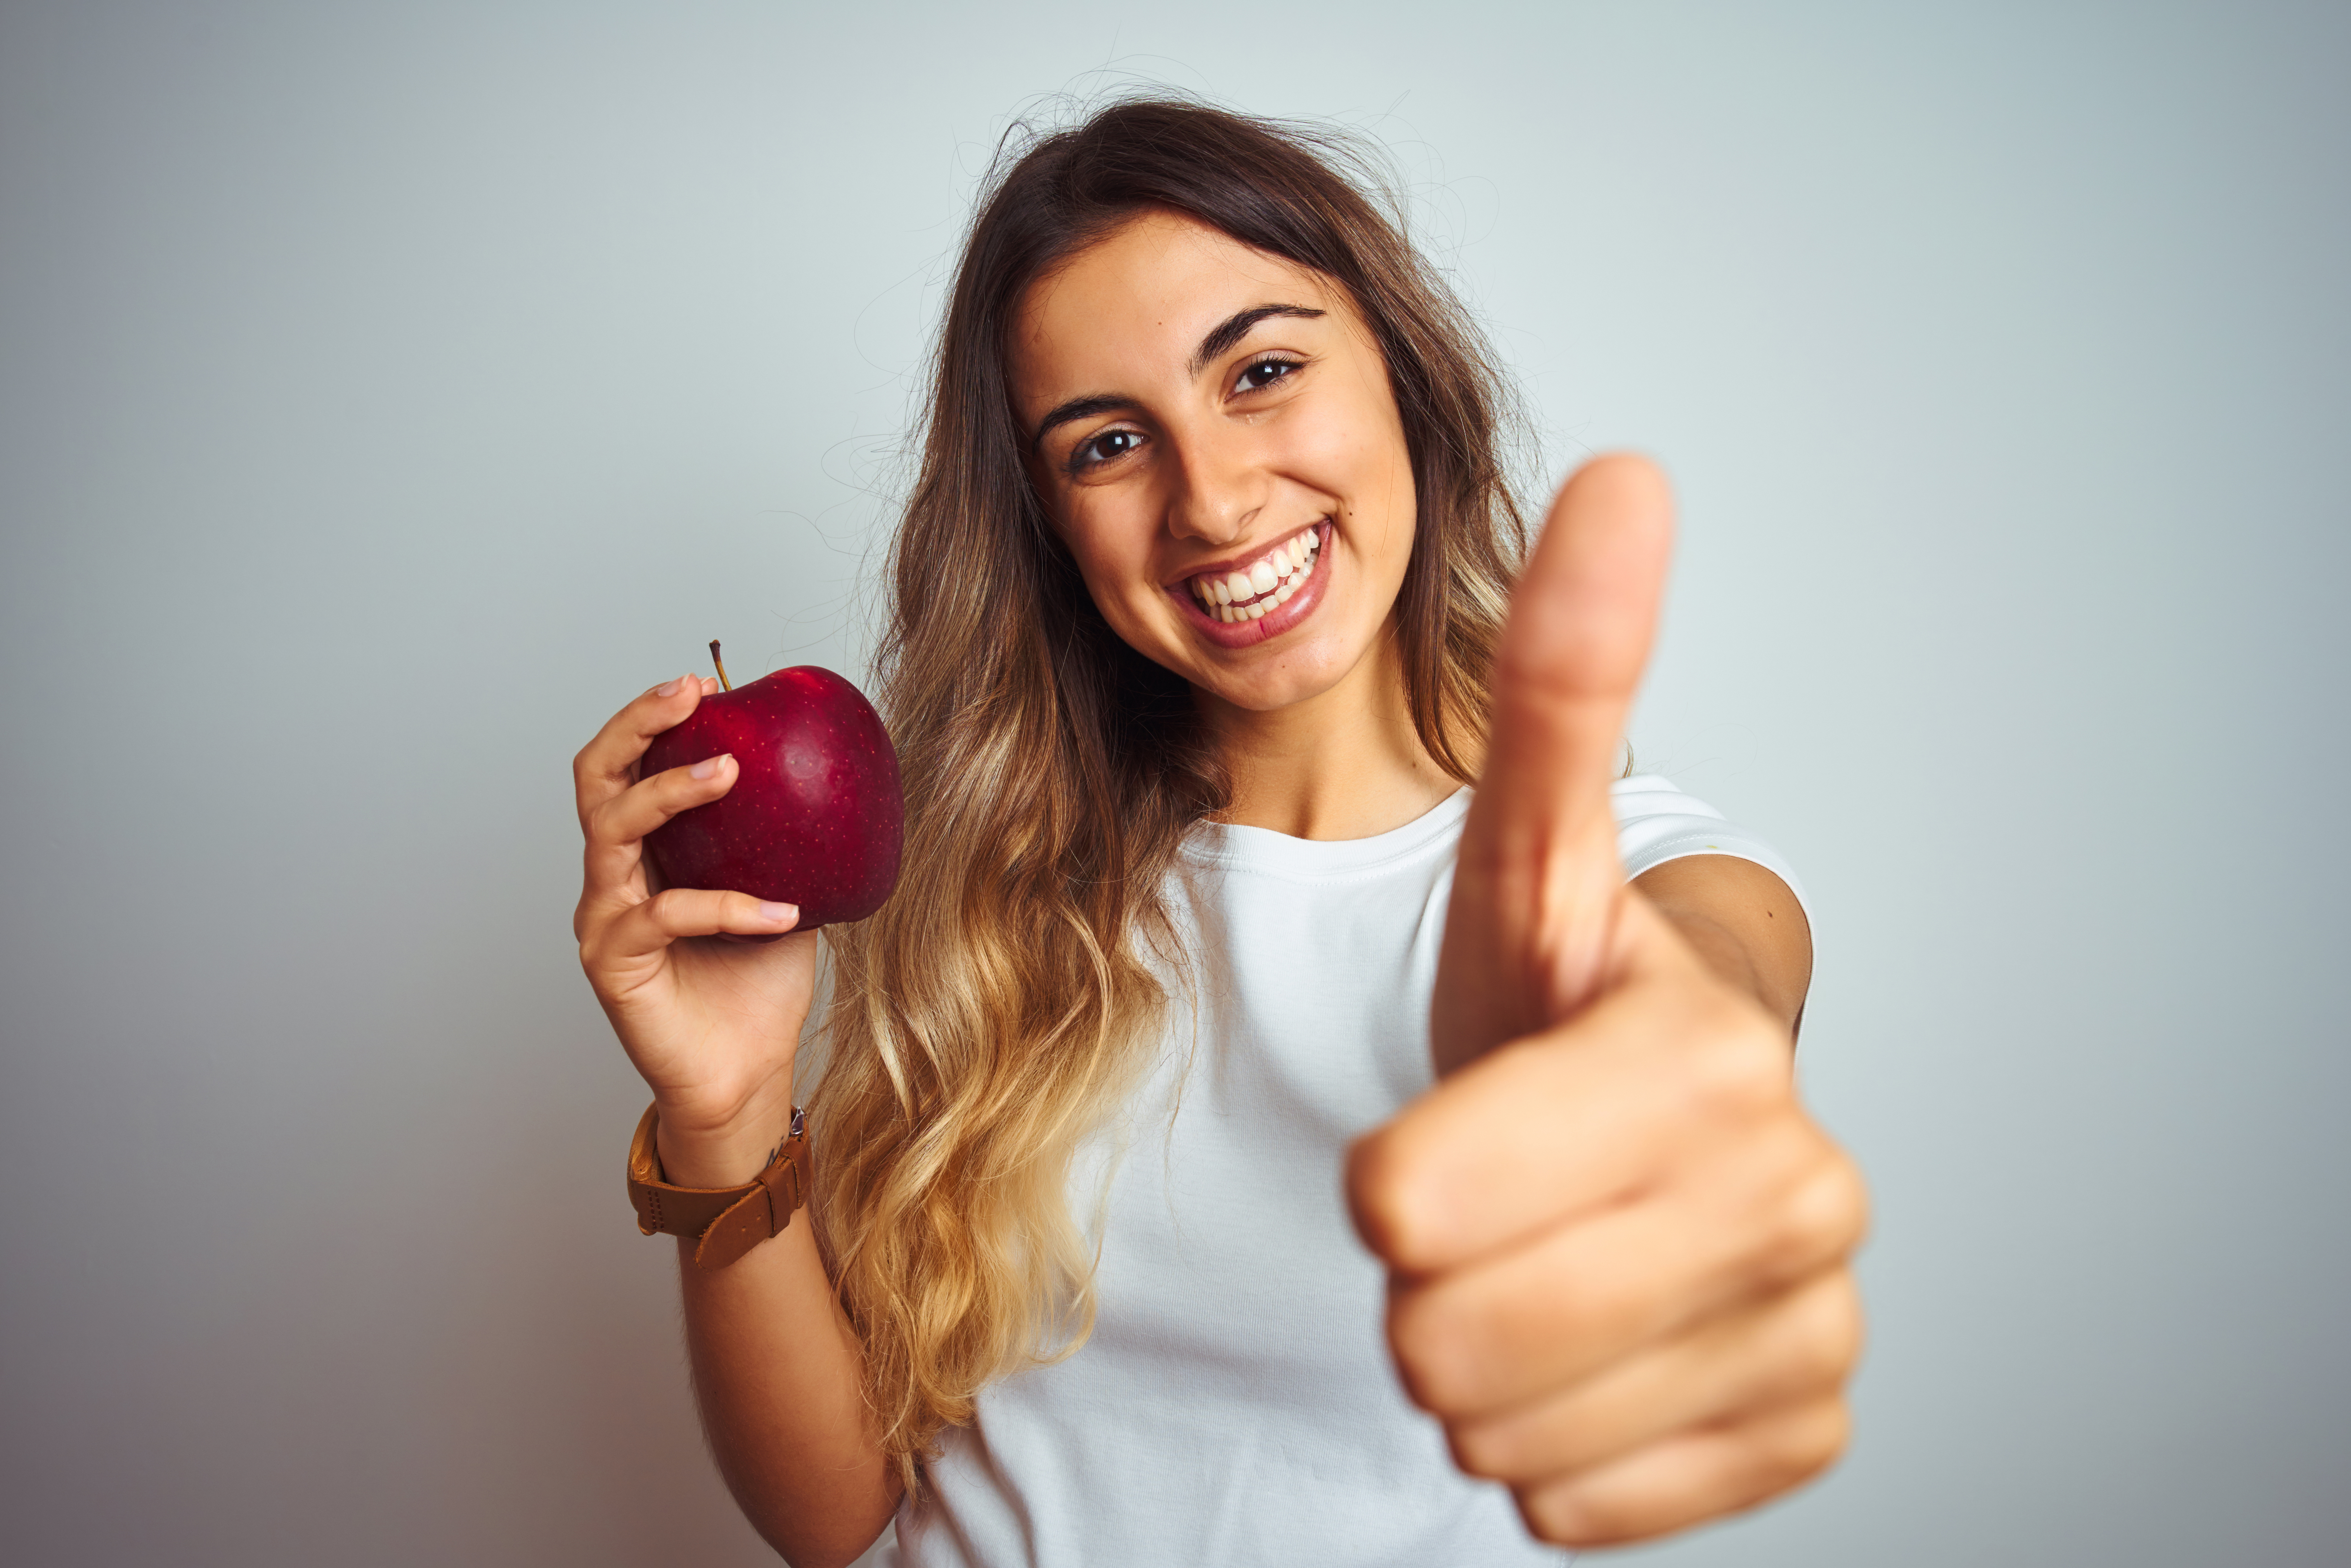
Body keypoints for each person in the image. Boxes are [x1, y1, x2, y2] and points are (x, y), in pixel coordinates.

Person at [571, 99, 1866, 1568]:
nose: (1214, 496)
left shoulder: (1632, 870)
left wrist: (1633, 1056)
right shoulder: (996, 903)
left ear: (1401, 377)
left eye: (1260, 371)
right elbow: (844, 1520)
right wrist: (727, 1117)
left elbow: (1705, 993)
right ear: (1047, 527)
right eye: (1110, 443)